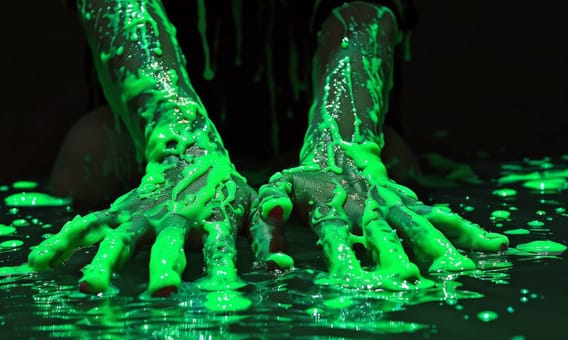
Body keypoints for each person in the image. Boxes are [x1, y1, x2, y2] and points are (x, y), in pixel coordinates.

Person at [28, 0, 509, 295]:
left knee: (394, 161)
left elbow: (363, 9)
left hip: (300, 123)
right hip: (144, 138)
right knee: (89, 154)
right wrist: (180, 148)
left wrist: (341, 149)